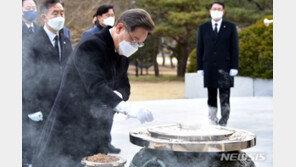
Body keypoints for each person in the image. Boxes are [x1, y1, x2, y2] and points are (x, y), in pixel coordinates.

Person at [33, 8, 155, 167]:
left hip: (97, 131)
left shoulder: (122, 54)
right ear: (119, 28)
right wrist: (123, 107)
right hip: (69, 129)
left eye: (139, 44)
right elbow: (95, 85)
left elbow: (125, 85)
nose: (135, 46)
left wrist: (118, 95)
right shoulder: (91, 45)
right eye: (134, 40)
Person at [22, 0, 72, 166]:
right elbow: (26, 77)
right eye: (55, 14)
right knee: (39, 154)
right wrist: (32, 107)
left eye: (62, 13)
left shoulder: (65, 40)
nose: (60, 17)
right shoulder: (31, 41)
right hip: (39, 107)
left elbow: (69, 71)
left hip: (60, 106)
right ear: (44, 17)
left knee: (60, 153)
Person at [196, 1, 239, 126]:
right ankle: (212, 119)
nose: (216, 11)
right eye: (214, 9)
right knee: (211, 94)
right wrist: (200, 67)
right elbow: (200, 48)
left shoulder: (230, 26)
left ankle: (224, 120)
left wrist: (234, 66)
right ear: (210, 11)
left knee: (225, 95)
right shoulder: (203, 27)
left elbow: (234, 48)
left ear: (223, 12)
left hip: (225, 66)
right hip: (209, 66)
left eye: (219, 9)